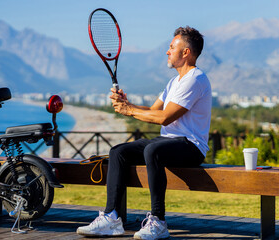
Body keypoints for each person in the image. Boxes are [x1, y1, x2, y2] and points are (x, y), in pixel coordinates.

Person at [76, 26, 212, 240]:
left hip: (192, 146)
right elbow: (153, 110)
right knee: (118, 152)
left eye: (171, 47)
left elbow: (166, 117)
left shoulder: (196, 79)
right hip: (168, 142)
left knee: (153, 150)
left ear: (186, 52)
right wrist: (127, 105)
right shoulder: (174, 82)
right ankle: (112, 218)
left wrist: (129, 111)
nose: (167, 51)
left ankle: (159, 221)